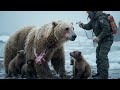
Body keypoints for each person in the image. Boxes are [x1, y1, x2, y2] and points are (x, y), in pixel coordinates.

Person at [79, 11, 114, 79]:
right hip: (101, 41)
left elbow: (106, 29)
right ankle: (99, 73)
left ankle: (104, 76)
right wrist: (82, 25)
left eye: (89, 13)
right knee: (98, 56)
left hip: (107, 39)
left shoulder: (101, 18)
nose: (88, 15)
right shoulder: (94, 19)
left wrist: (99, 37)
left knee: (102, 56)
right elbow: (88, 26)